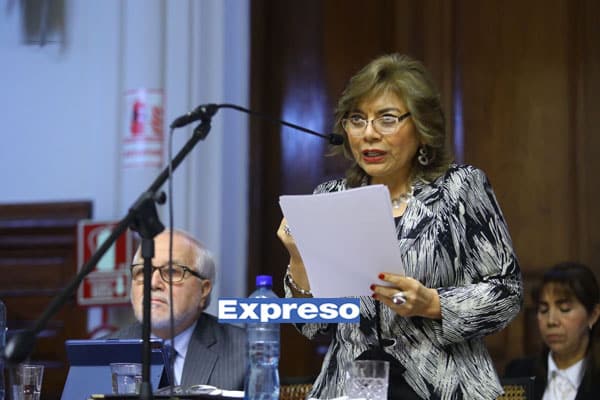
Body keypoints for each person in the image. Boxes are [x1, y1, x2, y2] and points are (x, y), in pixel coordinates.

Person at [277, 53, 523, 399]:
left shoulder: (460, 189)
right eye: (357, 119)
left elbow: (507, 292)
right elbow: (312, 326)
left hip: (442, 386)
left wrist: (431, 303)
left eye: (387, 119)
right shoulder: (330, 197)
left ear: (422, 127)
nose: (368, 134)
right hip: (353, 389)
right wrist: (299, 260)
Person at [107, 229, 246, 390]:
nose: (153, 283)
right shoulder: (103, 354)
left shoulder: (246, 352)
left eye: (172, 272)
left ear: (204, 289)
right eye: (143, 271)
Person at [504, 262, 600, 400]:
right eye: (543, 310)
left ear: (593, 315)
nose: (551, 321)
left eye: (564, 309)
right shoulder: (518, 373)